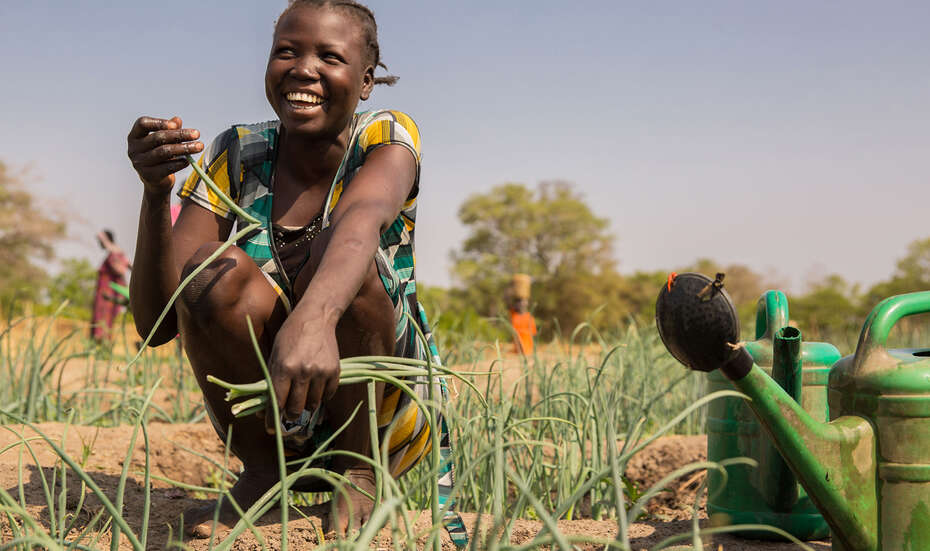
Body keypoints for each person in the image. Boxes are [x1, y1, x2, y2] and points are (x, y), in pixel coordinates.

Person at [126, 0, 464, 542]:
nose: (304, 68)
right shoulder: (238, 152)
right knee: (217, 271)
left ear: (367, 81)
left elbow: (362, 220)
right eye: (287, 51)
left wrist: (313, 320)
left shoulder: (387, 136)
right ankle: (263, 473)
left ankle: (361, 471)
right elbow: (156, 323)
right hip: (267, 412)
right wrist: (153, 192)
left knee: (342, 253)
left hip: (376, 410)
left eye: (330, 57)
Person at [90, 229, 131, 343]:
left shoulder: (114, 254)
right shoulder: (118, 254)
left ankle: (102, 344)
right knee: (104, 319)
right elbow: (129, 266)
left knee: (103, 318)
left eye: (100, 241)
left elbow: (121, 269)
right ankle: (102, 343)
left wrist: (105, 240)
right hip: (107, 292)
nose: (100, 244)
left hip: (108, 293)